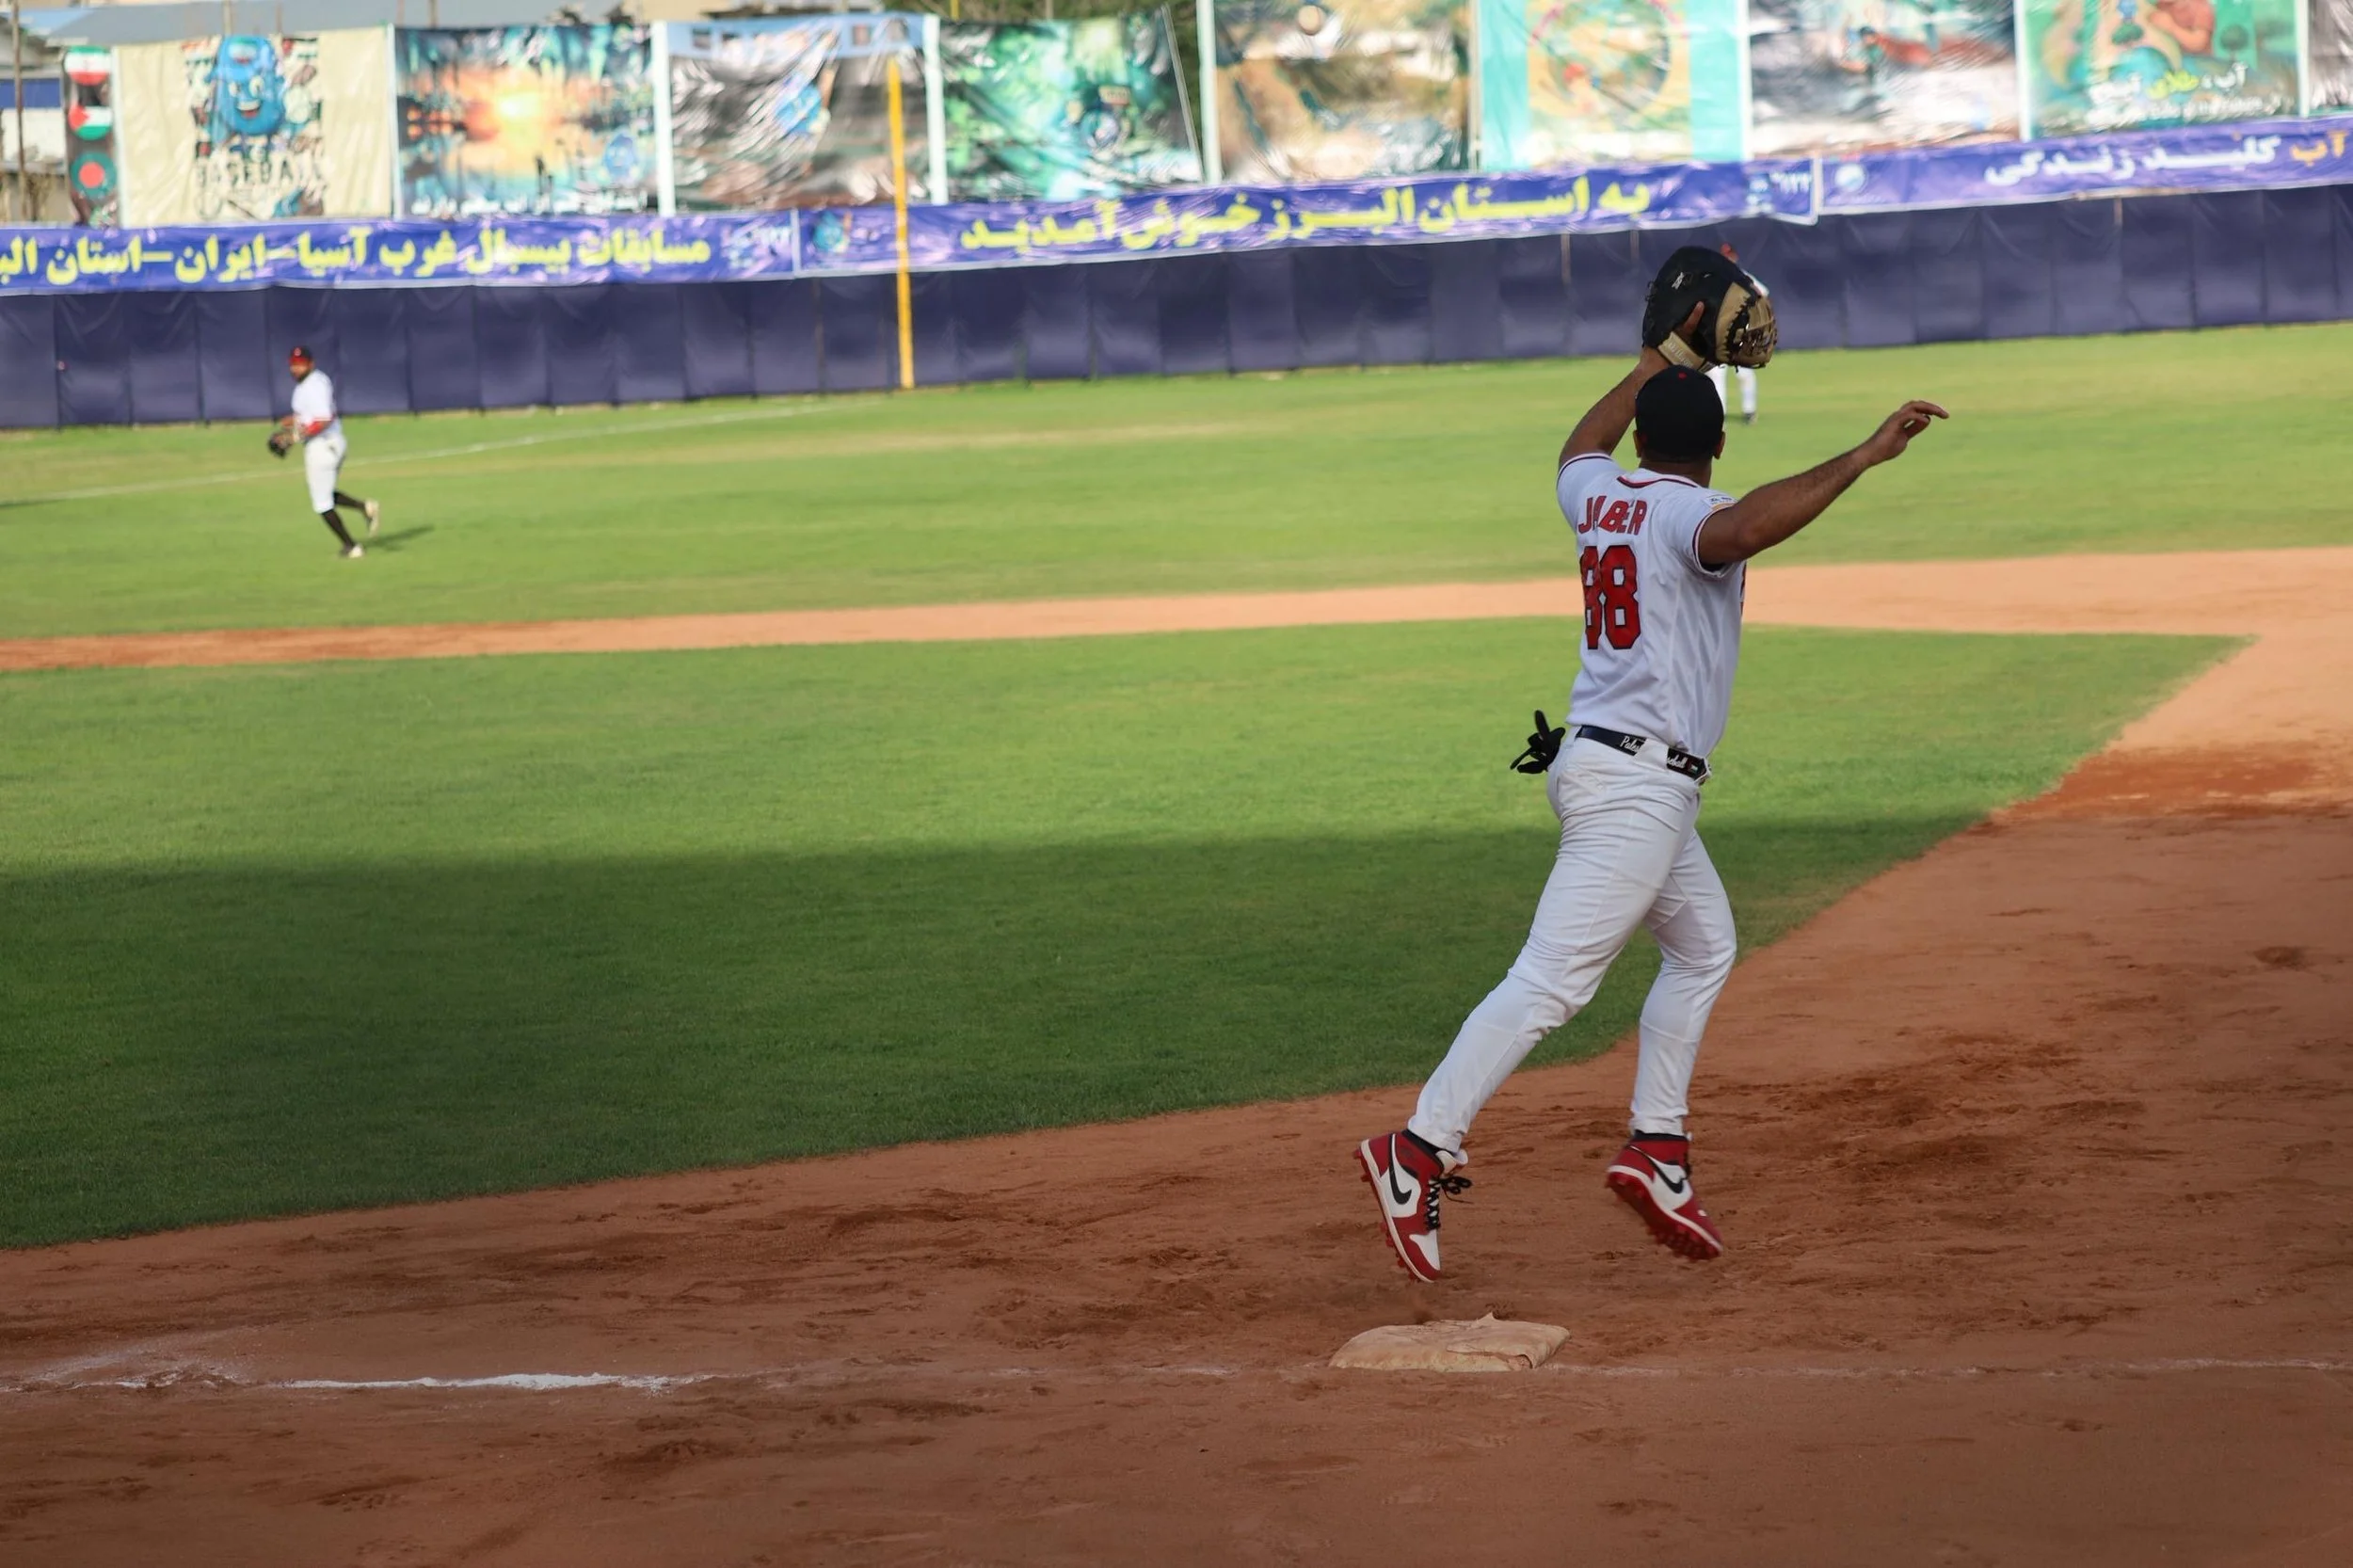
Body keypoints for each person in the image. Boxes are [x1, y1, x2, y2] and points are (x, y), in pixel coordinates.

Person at [1357, 335, 1947, 1282]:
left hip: (1615, 772)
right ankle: (1418, 1149)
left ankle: (1657, 1147)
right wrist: (1863, 456)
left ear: (1641, 433)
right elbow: (1746, 529)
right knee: (1550, 984)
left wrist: (1647, 365)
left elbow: (1575, 449)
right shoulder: (1690, 514)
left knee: (1703, 945)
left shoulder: (1595, 495)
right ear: (1717, 442)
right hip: (1633, 790)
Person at [278, 345, 379, 559]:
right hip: (327, 444)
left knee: (321, 503)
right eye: (293, 364)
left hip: (324, 445)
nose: (296, 368)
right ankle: (364, 507)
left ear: (311, 364)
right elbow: (307, 417)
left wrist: (295, 437)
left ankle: (351, 547)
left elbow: (324, 419)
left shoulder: (315, 385)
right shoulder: (305, 386)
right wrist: (289, 425)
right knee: (324, 492)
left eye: (301, 364)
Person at [1707, 244, 1761, 424]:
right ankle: (1718, 412)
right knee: (1715, 374)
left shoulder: (1745, 278)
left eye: (1729, 256)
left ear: (1735, 257)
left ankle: (1749, 410)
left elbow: (1763, 297)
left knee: (1744, 373)